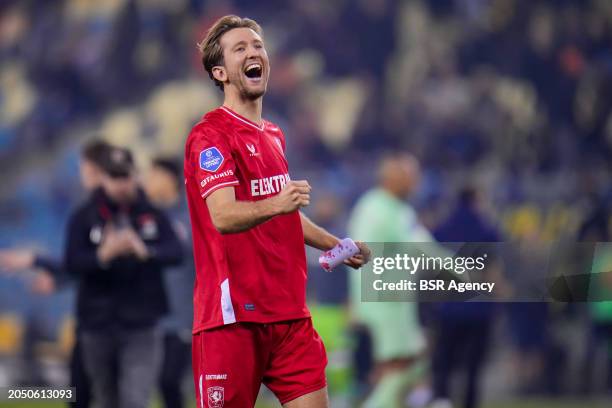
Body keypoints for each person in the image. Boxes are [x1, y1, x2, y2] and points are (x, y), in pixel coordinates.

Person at [184, 15, 370, 408]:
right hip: (233, 318)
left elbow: (280, 216)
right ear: (220, 72)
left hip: (289, 316)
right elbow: (224, 215)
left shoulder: (274, 134)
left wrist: (337, 244)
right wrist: (279, 202)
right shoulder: (210, 136)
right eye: (240, 48)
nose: (254, 52)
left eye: (257, 46)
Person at [64, 146, 182, 408]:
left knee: (135, 398)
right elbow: (71, 263)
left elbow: (176, 252)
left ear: (135, 175)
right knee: (106, 399)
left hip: (142, 324)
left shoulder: (152, 214)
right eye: (113, 177)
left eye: (124, 176)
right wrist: (102, 256)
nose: (120, 184)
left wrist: (146, 251)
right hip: (97, 324)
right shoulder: (84, 217)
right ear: (103, 178)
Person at [0, 139, 111, 408]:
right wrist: (59, 278)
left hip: (112, 322)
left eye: (85, 167)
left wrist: (35, 260)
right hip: (94, 321)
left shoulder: (109, 213)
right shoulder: (88, 213)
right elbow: (87, 265)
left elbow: (96, 265)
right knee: (78, 394)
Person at [347, 153, 434, 408]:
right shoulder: (377, 209)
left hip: (394, 301)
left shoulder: (394, 208)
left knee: (410, 362)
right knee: (401, 363)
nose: (415, 182)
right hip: (384, 303)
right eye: (410, 176)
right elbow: (419, 247)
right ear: (393, 178)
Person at [431, 187, 503, 408]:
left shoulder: (442, 229)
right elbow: (492, 272)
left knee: (444, 362)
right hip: (478, 309)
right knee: (473, 366)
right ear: (476, 200)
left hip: (448, 308)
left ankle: (442, 402)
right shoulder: (487, 229)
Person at [144, 157, 194, 408]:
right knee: (161, 384)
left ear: (169, 178)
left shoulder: (191, 215)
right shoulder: (146, 217)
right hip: (154, 316)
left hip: (185, 316)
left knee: (169, 381)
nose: (147, 181)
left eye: (153, 175)